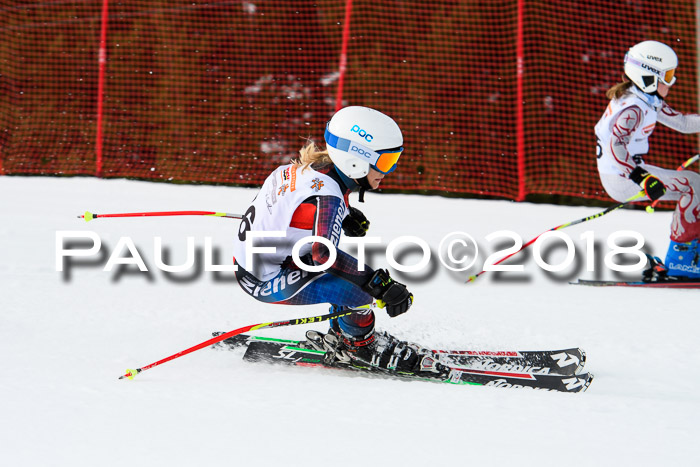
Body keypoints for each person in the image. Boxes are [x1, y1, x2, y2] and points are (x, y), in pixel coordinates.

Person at [231, 105, 445, 374]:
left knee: (349, 274)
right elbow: (323, 255)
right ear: (354, 161)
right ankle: (361, 347)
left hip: (258, 263)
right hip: (264, 281)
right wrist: (380, 285)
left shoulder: (309, 170)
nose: (387, 172)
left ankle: (343, 333)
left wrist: (345, 214)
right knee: (360, 289)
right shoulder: (328, 198)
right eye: (385, 163)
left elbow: (295, 210)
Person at [595, 40, 700, 279]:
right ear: (649, 76)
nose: (672, 82)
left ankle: (690, 254)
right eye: (668, 76)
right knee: (693, 185)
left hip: (630, 171)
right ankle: (681, 261)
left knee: (694, 185)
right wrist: (642, 178)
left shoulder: (645, 99)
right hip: (623, 176)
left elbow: (682, 123)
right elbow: (615, 147)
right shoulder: (633, 108)